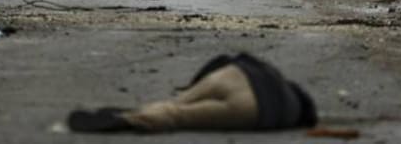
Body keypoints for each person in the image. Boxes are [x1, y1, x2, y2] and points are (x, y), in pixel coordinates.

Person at [67, 53, 317, 132]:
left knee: (177, 102)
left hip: (234, 74)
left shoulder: (273, 74)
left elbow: (225, 59)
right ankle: (134, 119)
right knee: (179, 117)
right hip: (253, 108)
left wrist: (193, 85)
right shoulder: (291, 113)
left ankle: (157, 106)